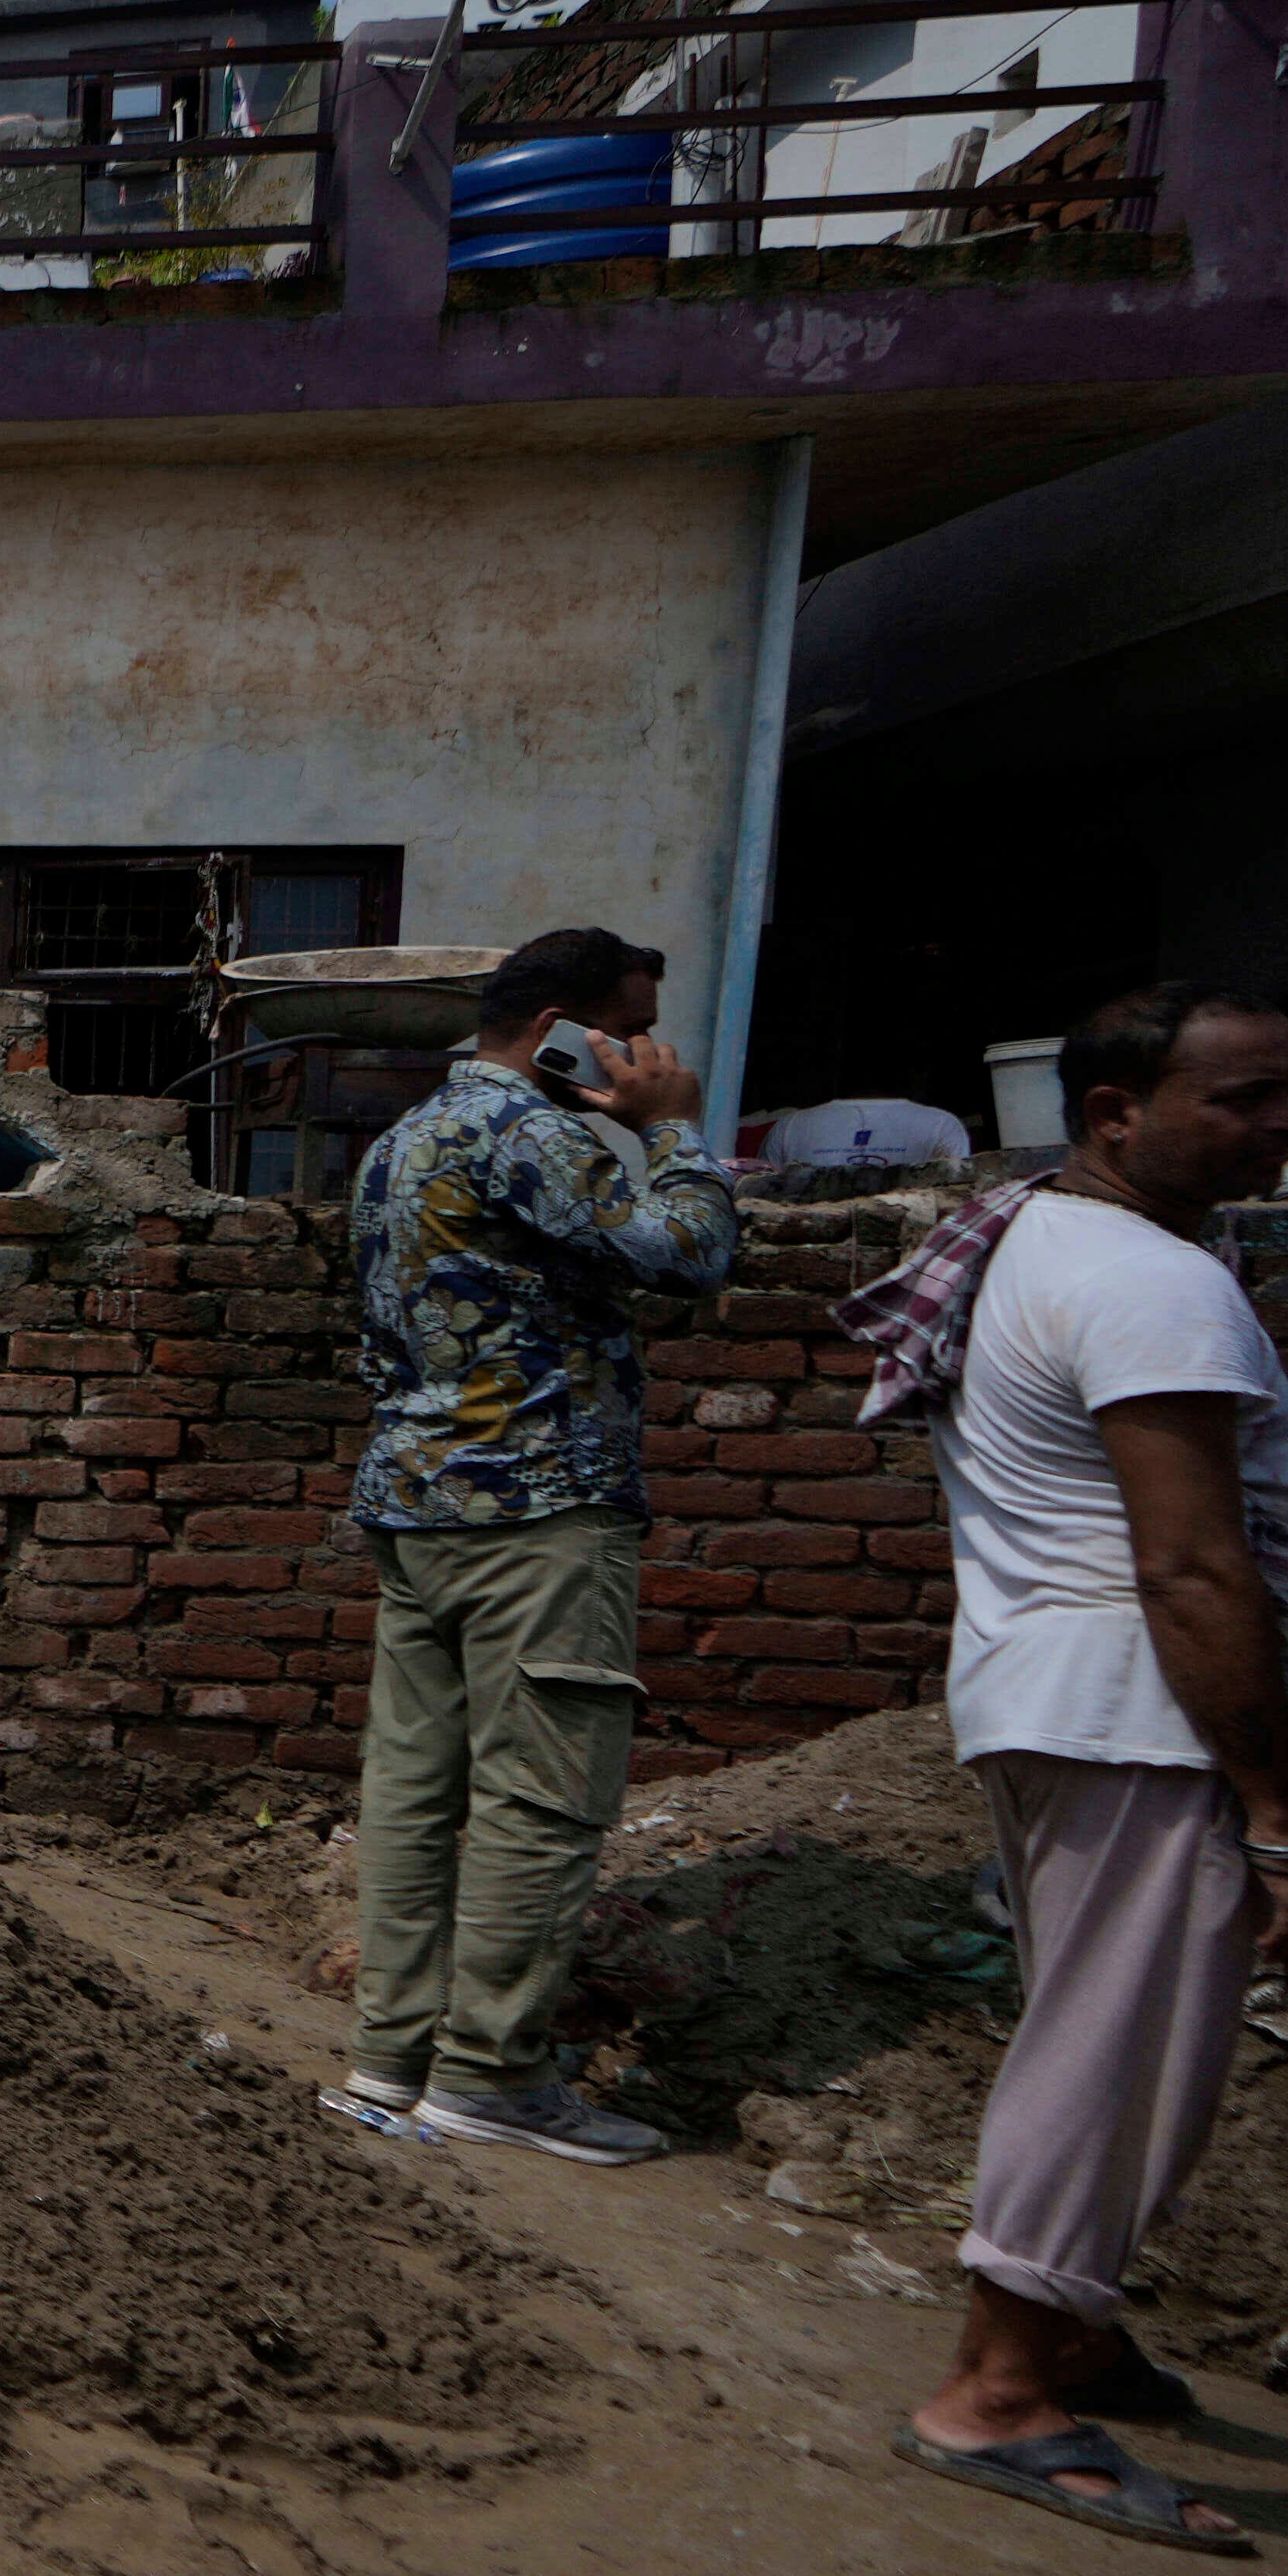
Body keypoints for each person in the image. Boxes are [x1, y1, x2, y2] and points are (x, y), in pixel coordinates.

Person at [875, 983, 1288, 2553]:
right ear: (1118, 1115)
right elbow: (1193, 1568)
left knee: (1094, 2024)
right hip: (1142, 1711)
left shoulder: (1042, 1236)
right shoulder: (1148, 1285)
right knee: (1123, 2054)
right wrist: (1277, 1810)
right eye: (1244, 1099)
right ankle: (998, 2391)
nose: (1282, 1126)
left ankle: (1069, 2331)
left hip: (1053, 1696)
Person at [337, 923, 730, 2159]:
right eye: (630, 1028)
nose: (644, 1052)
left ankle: (390, 2062)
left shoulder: (401, 1141)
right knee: (541, 1797)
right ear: (567, 1028)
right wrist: (669, 1126)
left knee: (413, 1789)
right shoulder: (534, 1132)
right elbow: (690, 1256)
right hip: (538, 1508)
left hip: (419, 1502)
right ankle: (493, 2077)